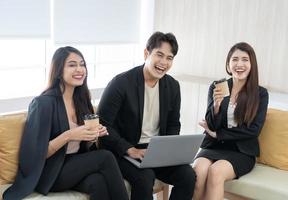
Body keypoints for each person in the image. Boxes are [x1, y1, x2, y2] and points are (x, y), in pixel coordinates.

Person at [3, 46, 129, 200]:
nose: (79, 69)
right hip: (49, 171)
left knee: (98, 182)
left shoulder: (82, 100)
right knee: (106, 157)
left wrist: (93, 135)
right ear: (58, 71)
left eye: (82, 64)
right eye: (72, 65)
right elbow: (34, 155)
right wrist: (69, 135)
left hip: (74, 165)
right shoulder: (43, 103)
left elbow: (83, 147)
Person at [97, 31, 196, 200]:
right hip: (123, 151)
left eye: (169, 58)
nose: (164, 62)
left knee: (188, 175)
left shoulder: (172, 86)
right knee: (144, 177)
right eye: (159, 55)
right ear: (146, 53)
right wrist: (129, 149)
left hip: (156, 151)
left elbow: (173, 124)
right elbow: (103, 125)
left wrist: (169, 150)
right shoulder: (121, 83)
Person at [192, 42, 269, 200]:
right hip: (213, 146)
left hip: (242, 151)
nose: (239, 64)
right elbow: (211, 125)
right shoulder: (218, 86)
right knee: (197, 173)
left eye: (245, 59)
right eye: (234, 59)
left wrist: (219, 134)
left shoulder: (260, 94)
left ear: (251, 64)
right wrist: (217, 106)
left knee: (216, 172)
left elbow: (253, 130)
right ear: (228, 64)